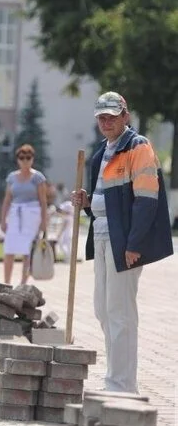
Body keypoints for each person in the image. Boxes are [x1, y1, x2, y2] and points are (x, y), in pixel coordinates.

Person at [72, 91, 172, 393]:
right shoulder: (103, 151)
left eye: (112, 116)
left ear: (125, 116)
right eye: (101, 117)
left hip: (123, 241)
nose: (106, 122)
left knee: (120, 312)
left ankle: (121, 385)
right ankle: (116, 377)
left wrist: (133, 244)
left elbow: (146, 200)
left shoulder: (138, 147)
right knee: (103, 310)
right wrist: (88, 202)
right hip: (102, 233)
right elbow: (111, 198)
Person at [0, 144, 48, 285]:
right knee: (9, 248)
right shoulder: (12, 178)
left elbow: (43, 201)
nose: (25, 160)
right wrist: (3, 219)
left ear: (32, 159)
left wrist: (44, 221)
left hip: (32, 214)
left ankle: (23, 284)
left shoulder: (38, 177)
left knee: (28, 250)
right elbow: (7, 199)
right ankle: (6, 283)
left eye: (28, 157)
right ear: (17, 160)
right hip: (15, 214)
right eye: (22, 158)